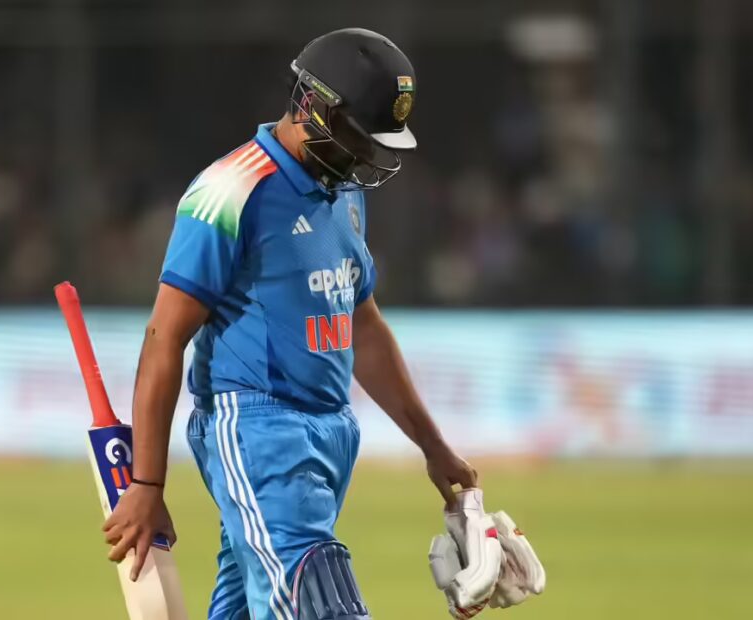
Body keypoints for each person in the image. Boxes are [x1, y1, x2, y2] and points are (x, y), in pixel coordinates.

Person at [102, 28, 478, 620]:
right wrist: (147, 486)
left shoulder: (345, 192)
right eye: (359, 137)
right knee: (319, 602)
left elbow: (363, 327)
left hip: (330, 433)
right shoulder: (231, 190)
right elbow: (164, 337)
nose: (365, 158)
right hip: (257, 429)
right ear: (313, 107)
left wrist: (433, 447)